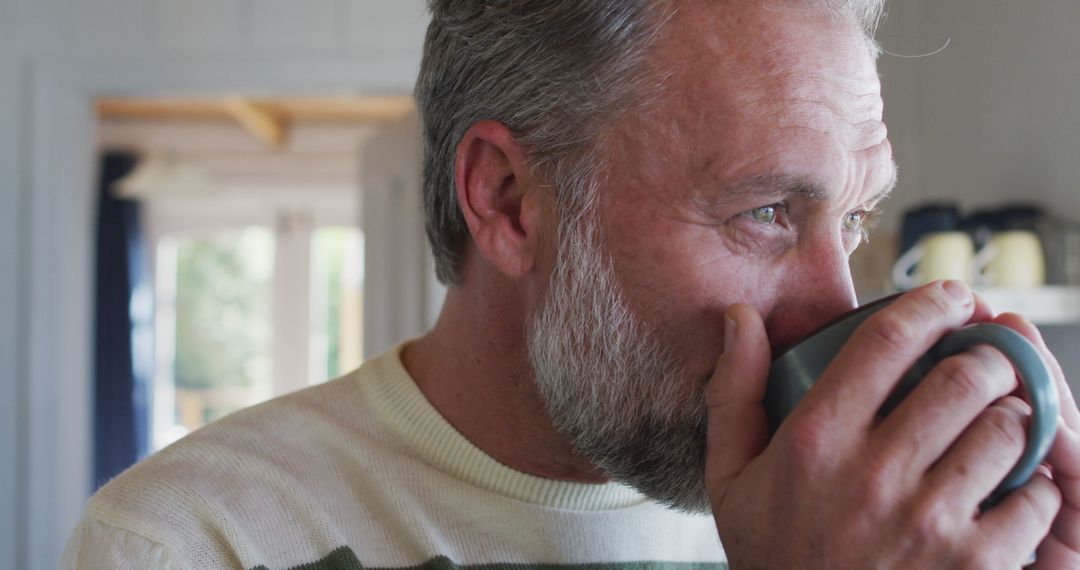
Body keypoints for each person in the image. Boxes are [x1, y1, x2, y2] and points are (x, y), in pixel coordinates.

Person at [65, 0, 1080, 568]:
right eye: (766, 211)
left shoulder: (896, 531)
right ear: (509, 201)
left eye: (851, 220)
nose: (835, 305)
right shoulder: (191, 543)